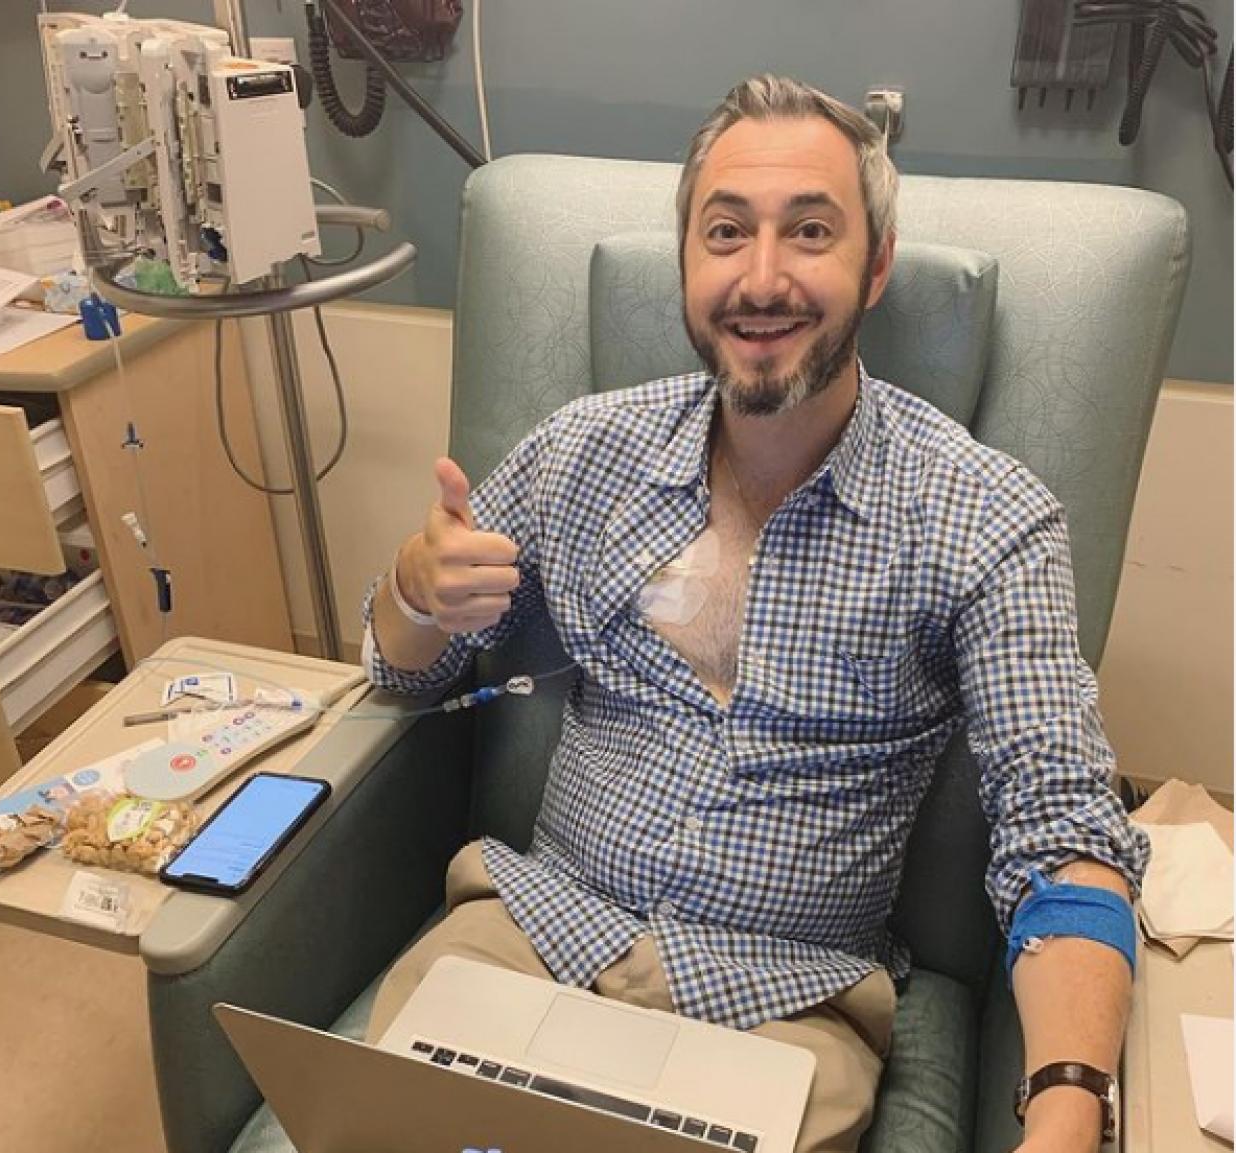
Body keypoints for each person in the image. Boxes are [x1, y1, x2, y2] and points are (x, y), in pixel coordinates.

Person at [361, 74, 1149, 1153]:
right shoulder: (582, 454)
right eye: (725, 231)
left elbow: (1062, 836)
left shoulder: (984, 521)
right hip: (528, 938)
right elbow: (398, 669)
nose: (761, 276)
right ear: (687, 258)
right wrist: (414, 587)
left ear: (876, 263)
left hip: (780, 1006)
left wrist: (1065, 1109)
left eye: (810, 231)